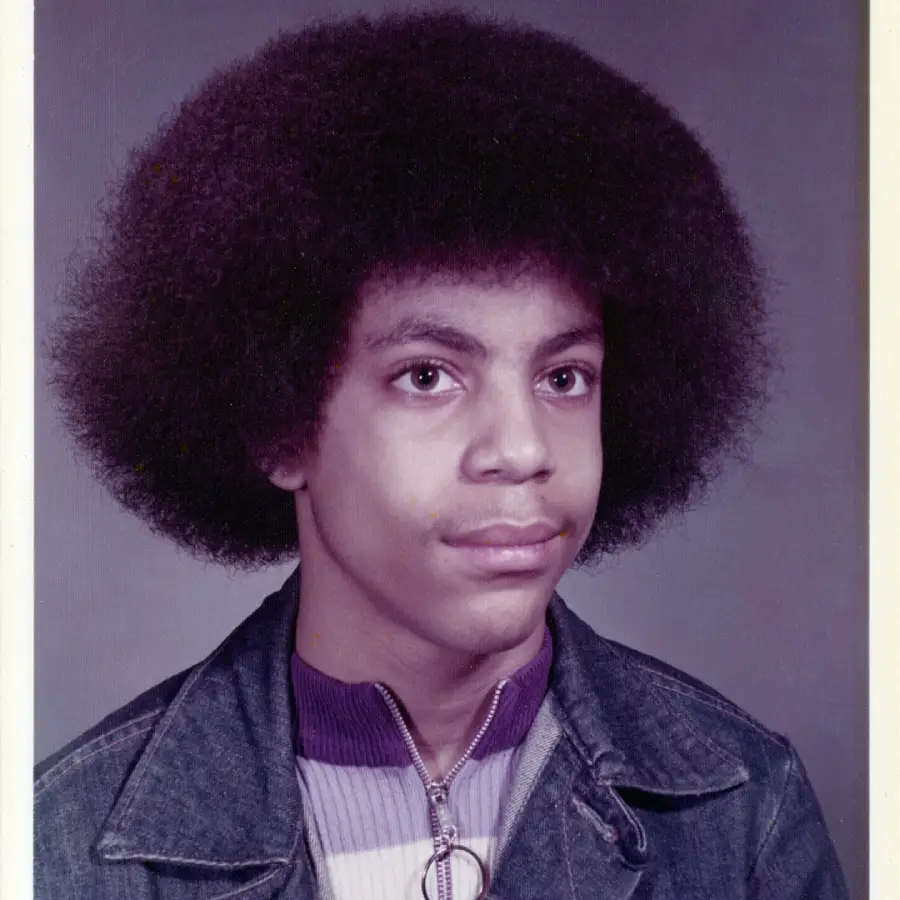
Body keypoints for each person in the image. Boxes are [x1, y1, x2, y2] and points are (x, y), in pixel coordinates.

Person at [34, 10, 849, 899]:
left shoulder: (742, 811)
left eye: (565, 377)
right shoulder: (64, 853)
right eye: (427, 376)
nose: (522, 448)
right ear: (280, 427)